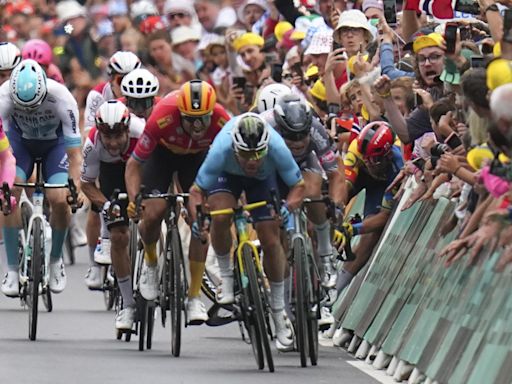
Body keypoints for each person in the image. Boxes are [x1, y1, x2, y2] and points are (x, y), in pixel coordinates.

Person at [188, 112, 305, 351]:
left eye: (257, 155)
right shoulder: (222, 148)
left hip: (263, 181)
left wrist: (287, 207)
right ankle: (227, 278)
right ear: (235, 148)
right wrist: (199, 218)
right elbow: (196, 191)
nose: (252, 161)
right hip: (227, 177)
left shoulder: (276, 147)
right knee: (221, 215)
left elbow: (299, 187)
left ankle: (277, 310)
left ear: (265, 148)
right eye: (245, 155)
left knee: (271, 238)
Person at [125, 80, 230, 324]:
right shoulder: (162, 118)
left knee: (201, 223)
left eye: (203, 119)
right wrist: (134, 201)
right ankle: (151, 263)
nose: (196, 126)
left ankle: (193, 297)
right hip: (162, 158)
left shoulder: (222, 119)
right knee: (153, 212)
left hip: (196, 161)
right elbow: (133, 165)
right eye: (190, 119)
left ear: (211, 113)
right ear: (179, 113)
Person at [0, 59, 82, 297]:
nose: (29, 112)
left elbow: (75, 154)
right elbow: (4, 152)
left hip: (54, 146)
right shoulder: (4, 96)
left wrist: (75, 187)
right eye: (23, 108)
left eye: (34, 106)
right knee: (10, 193)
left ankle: (56, 260)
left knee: (59, 198)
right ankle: (13, 270)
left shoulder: (63, 98)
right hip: (19, 145)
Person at [262, 94, 345, 288]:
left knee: (312, 193)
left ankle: (325, 254)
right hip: (272, 168)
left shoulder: (317, 129)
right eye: (290, 136)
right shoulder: (265, 129)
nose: (297, 142)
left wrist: (335, 205)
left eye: (302, 135)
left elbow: (335, 174)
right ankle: (281, 290)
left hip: (304, 165)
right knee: (274, 232)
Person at [81, 100, 144, 329]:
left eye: (118, 136)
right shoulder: (92, 144)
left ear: (128, 129)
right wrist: (106, 206)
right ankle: (128, 305)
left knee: (152, 218)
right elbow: (87, 184)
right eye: (107, 137)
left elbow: (163, 168)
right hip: (112, 177)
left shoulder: (141, 132)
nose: (113, 143)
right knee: (118, 235)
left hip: (141, 169)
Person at [332, 121, 403, 295]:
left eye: (375, 161)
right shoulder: (356, 150)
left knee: (371, 235)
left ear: (387, 154)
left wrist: (351, 230)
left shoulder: (397, 163)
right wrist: (335, 214)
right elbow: (344, 187)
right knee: (332, 203)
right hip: (359, 172)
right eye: (367, 160)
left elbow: (385, 216)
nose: (371, 164)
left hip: (382, 183)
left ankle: (334, 291)